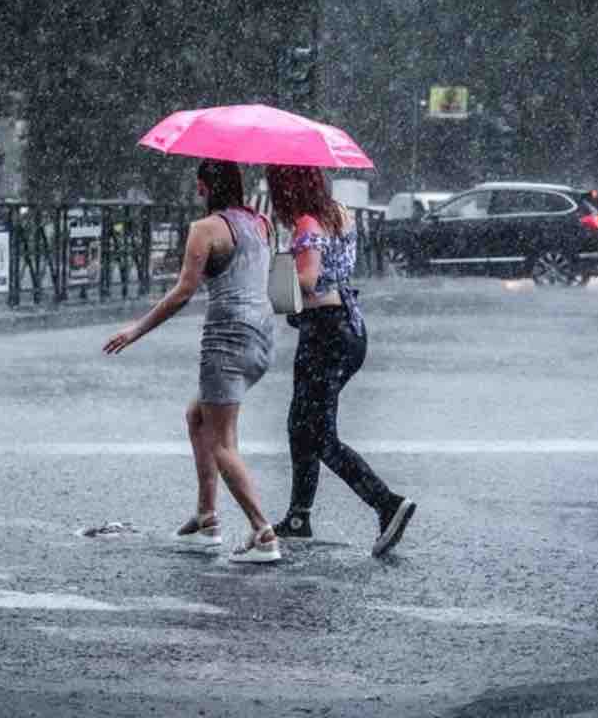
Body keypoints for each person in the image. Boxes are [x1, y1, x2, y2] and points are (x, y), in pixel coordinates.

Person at [103, 159, 280, 563]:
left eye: (199, 185)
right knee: (198, 416)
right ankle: (206, 518)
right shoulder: (262, 224)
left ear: (204, 187)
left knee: (222, 441)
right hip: (262, 338)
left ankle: (263, 532)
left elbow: (184, 292)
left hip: (227, 340)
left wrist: (135, 330)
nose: (197, 191)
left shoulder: (205, 229)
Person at [266, 164, 416, 558]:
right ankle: (298, 517)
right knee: (301, 424)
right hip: (348, 329)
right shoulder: (339, 214)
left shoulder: (307, 223)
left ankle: (386, 503)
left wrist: (274, 270)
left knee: (318, 434)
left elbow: (307, 280)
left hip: (325, 333)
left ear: (286, 188)